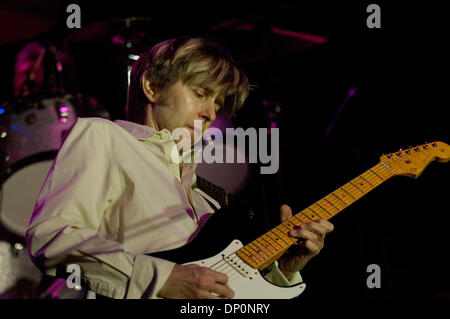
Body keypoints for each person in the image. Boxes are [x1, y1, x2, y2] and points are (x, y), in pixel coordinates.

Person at [25, 37, 334, 299]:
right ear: (152, 86)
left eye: (217, 102)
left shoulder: (206, 194)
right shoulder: (105, 136)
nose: (211, 112)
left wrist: (282, 270)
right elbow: (52, 236)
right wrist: (160, 278)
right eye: (200, 93)